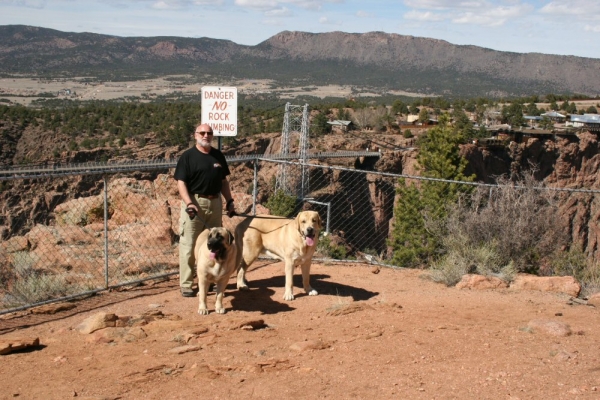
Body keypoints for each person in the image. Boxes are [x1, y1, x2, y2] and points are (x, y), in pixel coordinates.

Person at [174, 123, 236, 297]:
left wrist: (229, 201)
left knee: (215, 244)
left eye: (209, 133)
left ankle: (212, 281)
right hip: (195, 203)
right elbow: (181, 182)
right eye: (202, 132)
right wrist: (189, 203)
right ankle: (186, 284)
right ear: (195, 135)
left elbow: (224, 181)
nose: (206, 135)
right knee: (189, 245)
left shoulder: (218, 156)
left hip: (215, 203)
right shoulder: (188, 157)